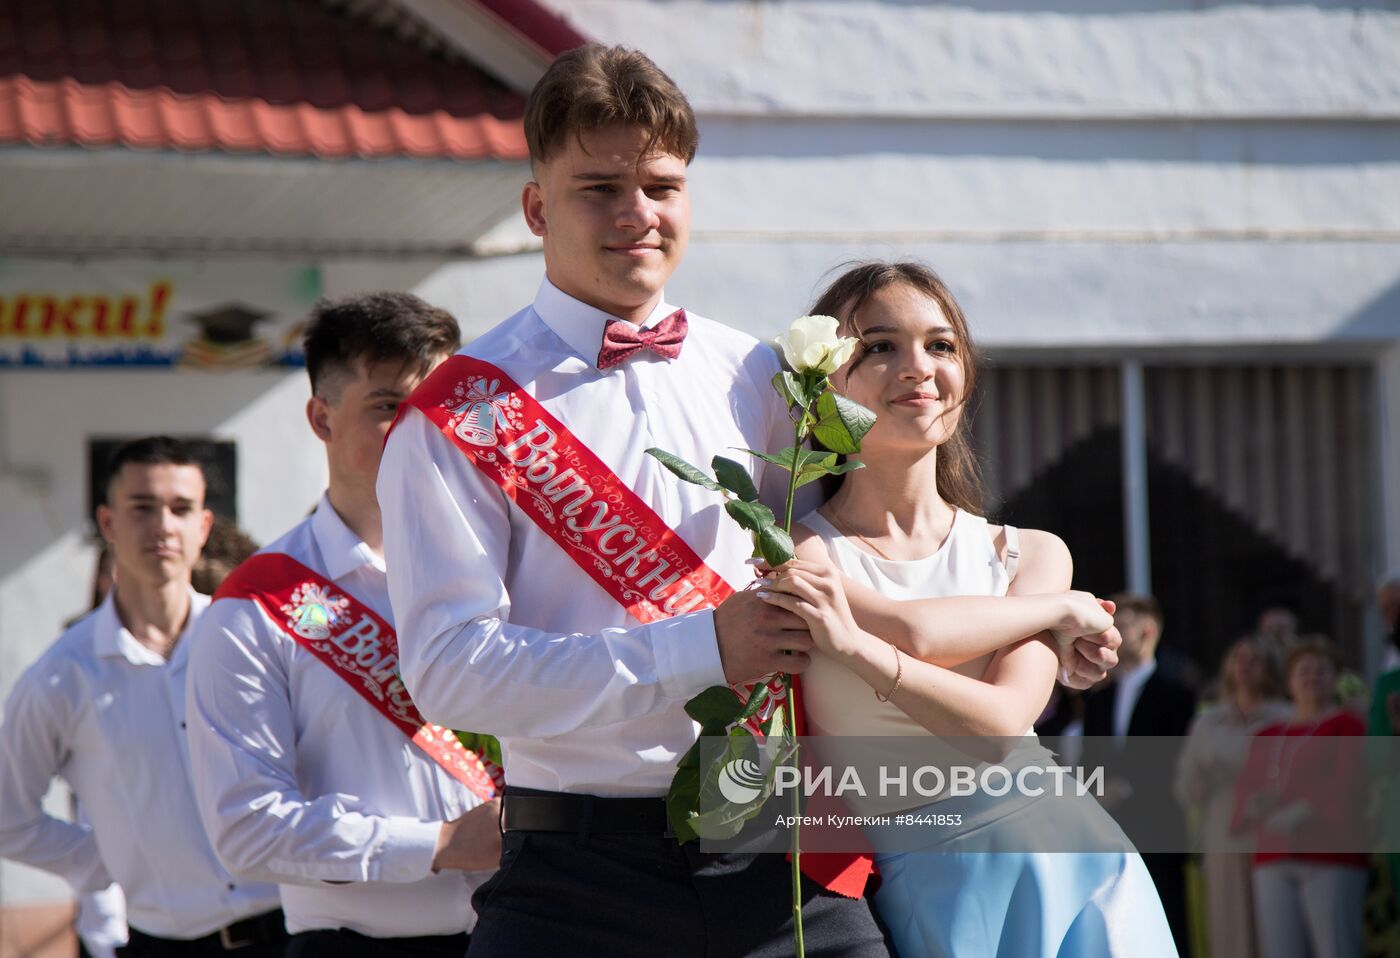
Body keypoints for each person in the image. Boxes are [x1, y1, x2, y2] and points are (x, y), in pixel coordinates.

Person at [377, 45, 1122, 957]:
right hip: (576, 873)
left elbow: (868, 557)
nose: (637, 215)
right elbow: (450, 672)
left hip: (782, 852)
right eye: (598, 188)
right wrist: (702, 647)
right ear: (536, 207)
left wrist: (1034, 632)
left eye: (660, 184)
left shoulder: (760, 373)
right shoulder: (460, 413)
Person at [757, 260, 1174, 958]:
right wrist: (1058, 610)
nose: (917, 366)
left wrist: (856, 648)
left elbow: (1000, 727)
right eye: (880, 346)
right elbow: (917, 631)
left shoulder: (1032, 553)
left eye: (940, 346)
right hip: (921, 887)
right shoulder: (793, 550)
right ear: (821, 385)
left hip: (1074, 863)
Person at [184, 294, 502, 958]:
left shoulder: (512, 568)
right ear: (321, 419)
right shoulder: (256, 606)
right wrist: (439, 846)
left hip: (528, 933)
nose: (420, 429)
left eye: (436, 403)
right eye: (388, 407)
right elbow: (246, 830)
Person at [0, 437, 286, 957]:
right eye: (143, 507)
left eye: (181, 509)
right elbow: (6, 812)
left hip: (289, 932)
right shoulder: (64, 673)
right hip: (166, 944)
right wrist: (104, 858)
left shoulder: (253, 637)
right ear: (107, 524)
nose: (163, 526)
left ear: (203, 527)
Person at [1231, 638, 1368, 958]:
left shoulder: (1347, 725)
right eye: (1303, 671)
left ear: (1335, 679)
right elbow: (1246, 786)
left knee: (1336, 948)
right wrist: (1253, 806)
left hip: (1331, 854)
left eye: (1321, 671)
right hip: (1273, 855)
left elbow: (1349, 782)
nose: (1312, 678)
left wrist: (1305, 810)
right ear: (1289, 681)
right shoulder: (1267, 735)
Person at [1081, 593, 1197, 953]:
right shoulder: (1099, 698)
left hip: (1157, 823)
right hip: (1108, 824)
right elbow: (1090, 757)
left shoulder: (1177, 694)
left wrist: (1130, 789)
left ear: (1147, 631)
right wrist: (1096, 793)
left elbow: (1178, 758)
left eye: (1121, 625)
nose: (1110, 633)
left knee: (1167, 919)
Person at [1175, 636, 1290, 958]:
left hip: (1273, 831)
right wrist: (1208, 777)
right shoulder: (1208, 722)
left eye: (1255, 659)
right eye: (1239, 658)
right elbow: (1186, 788)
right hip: (1223, 829)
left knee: (1277, 928)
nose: (1245, 666)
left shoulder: (1288, 717)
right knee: (1228, 923)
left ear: (1270, 668)